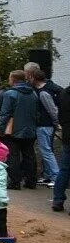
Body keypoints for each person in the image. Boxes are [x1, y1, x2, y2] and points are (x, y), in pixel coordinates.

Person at [0, 70, 39, 190]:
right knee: (29, 155)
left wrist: (1, 129)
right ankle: (31, 180)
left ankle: (15, 181)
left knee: (13, 156)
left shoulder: (10, 94)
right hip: (30, 129)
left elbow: (5, 114)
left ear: (13, 80)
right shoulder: (33, 94)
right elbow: (36, 113)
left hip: (13, 130)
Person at [25, 64, 62, 188]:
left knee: (46, 151)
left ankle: (56, 177)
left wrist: (57, 123)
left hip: (45, 125)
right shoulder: (47, 89)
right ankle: (48, 176)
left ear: (33, 78)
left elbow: (52, 110)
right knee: (46, 150)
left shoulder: (43, 93)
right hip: (47, 125)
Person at [52, 85, 70, 213]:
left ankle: (58, 200)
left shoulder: (63, 94)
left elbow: (60, 115)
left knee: (64, 169)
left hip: (68, 135)